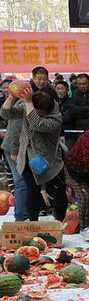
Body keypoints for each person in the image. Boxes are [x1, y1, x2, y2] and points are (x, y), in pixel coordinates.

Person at [1, 90, 66, 221]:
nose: (36, 114)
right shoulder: (27, 107)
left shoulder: (55, 118)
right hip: (27, 156)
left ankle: (60, 220)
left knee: (58, 192)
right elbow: (6, 114)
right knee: (32, 191)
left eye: (40, 112)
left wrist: (29, 103)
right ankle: (32, 222)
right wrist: (11, 98)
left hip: (49, 160)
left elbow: (37, 123)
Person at [0, 89, 27, 221]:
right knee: (21, 182)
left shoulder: (28, 103)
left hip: (19, 148)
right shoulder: (23, 105)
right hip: (13, 147)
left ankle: (24, 212)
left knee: (21, 181)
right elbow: (15, 130)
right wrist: (15, 151)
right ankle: (21, 216)